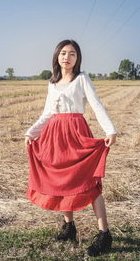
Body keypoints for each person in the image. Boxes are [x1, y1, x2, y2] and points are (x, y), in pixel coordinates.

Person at [24, 39, 118, 257]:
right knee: (62, 181)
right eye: (64, 53)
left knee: (88, 181)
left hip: (76, 132)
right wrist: (32, 132)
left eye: (72, 54)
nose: (67, 57)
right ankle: (69, 227)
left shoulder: (82, 79)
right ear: (57, 57)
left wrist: (110, 129)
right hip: (54, 134)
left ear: (78, 58)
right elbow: (47, 113)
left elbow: (96, 104)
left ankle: (104, 234)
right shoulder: (52, 82)